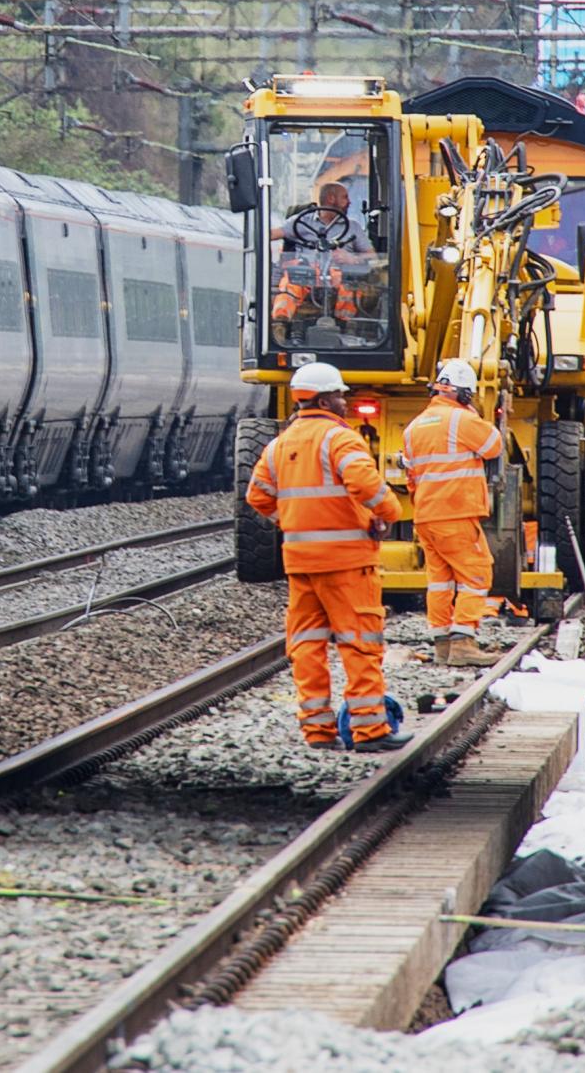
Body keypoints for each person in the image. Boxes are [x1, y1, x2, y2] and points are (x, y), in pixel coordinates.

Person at [245, 362, 408, 753]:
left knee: (307, 646)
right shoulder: (340, 439)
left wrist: (291, 519)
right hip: (347, 563)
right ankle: (370, 731)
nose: (345, 400)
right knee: (360, 642)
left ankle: (318, 732)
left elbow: (257, 495)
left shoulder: (279, 444)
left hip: (301, 564)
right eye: (339, 395)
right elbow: (366, 485)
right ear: (322, 399)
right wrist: (387, 514)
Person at [401, 358, 506, 668]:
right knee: (476, 573)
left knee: (440, 581)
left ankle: (442, 644)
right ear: (463, 394)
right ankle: (463, 641)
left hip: (426, 516)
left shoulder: (413, 427)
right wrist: (474, 414)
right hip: (455, 512)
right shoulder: (462, 420)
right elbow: (494, 446)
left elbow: (410, 476)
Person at [269, 184, 362, 334]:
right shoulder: (302, 222)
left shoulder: (354, 228)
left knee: (348, 286)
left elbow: (373, 256)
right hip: (306, 274)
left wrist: (352, 258)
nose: (350, 202)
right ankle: (280, 324)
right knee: (290, 285)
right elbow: (274, 234)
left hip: (339, 274)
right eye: (345, 197)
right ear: (331, 199)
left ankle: (346, 326)